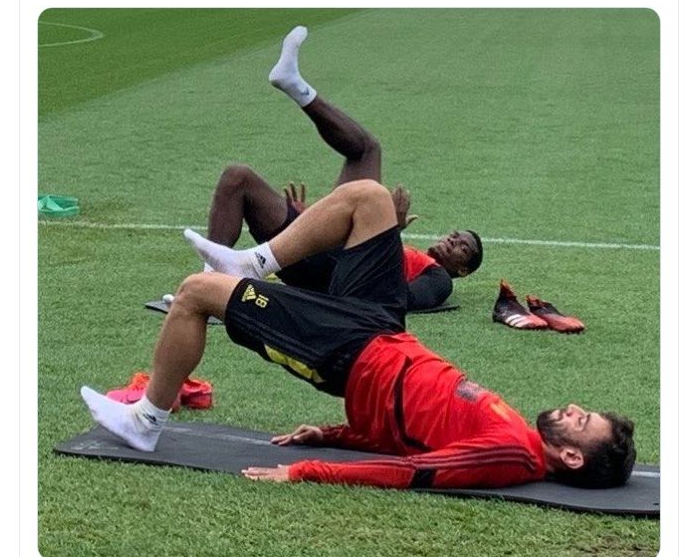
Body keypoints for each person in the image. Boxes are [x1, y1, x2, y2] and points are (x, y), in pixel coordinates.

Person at [81, 177, 636, 490]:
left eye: (582, 421)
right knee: (369, 197)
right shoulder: (519, 437)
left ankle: (145, 422)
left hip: (347, 352)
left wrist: (310, 468)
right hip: (383, 334)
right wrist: (332, 434)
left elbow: (414, 468)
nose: (571, 407)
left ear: (571, 458)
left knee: (197, 292)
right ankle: (253, 262)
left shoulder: (513, 456)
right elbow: (415, 433)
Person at [192, 26, 483, 311]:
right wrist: (313, 220)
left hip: (335, 273)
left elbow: (396, 300)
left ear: (463, 270)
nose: (452, 240)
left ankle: (295, 85)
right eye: (455, 235)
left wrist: (390, 232)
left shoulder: (439, 278)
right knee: (237, 178)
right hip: (325, 254)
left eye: (462, 248)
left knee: (368, 150)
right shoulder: (414, 254)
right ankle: (209, 282)